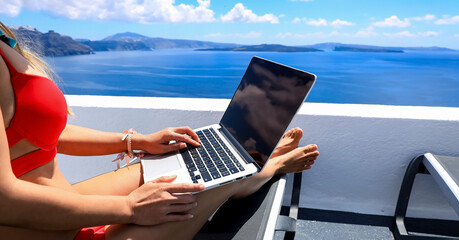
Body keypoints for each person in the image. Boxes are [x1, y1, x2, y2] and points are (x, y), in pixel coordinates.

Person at [0, 22, 319, 240]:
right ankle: (270, 165)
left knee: (191, 156)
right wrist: (131, 208)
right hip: (43, 227)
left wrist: (135, 141)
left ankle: (254, 161)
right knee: (206, 183)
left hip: (63, 207)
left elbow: (38, 132)